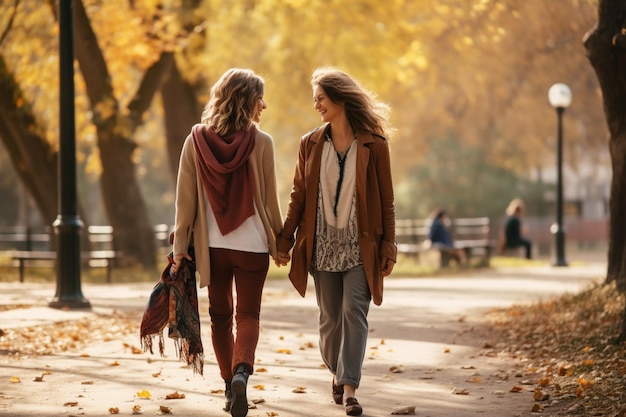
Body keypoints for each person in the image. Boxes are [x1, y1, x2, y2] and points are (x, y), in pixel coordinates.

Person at [276, 67, 396, 417]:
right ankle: (337, 371)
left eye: (321, 98)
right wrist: (285, 239)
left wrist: (389, 245)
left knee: (354, 313)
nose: (317, 105)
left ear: (340, 99)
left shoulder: (374, 144)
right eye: (315, 99)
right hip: (322, 245)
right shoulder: (310, 143)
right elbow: (298, 196)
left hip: (362, 246)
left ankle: (350, 389)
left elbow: (387, 199)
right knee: (330, 319)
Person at [169, 68, 288, 417]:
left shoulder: (195, 141)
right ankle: (241, 374)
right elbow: (270, 201)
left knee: (220, 317)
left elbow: (184, 201)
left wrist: (179, 251)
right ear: (246, 101)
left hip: (212, 249)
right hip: (252, 247)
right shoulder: (262, 142)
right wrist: (280, 243)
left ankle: (227, 385)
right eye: (259, 98)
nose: (263, 105)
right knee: (248, 314)